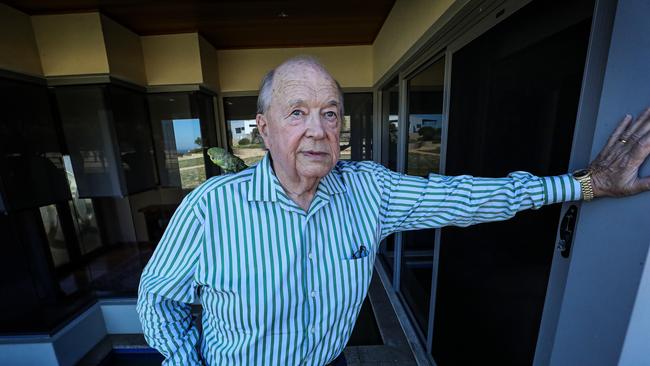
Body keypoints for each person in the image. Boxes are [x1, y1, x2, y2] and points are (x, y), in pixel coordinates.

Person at [137, 56, 650, 366]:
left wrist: (586, 184)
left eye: (330, 113)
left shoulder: (368, 192)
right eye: (297, 113)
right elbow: (158, 300)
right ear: (264, 128)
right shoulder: (210, 210)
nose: (317, 129)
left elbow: (466, 198)